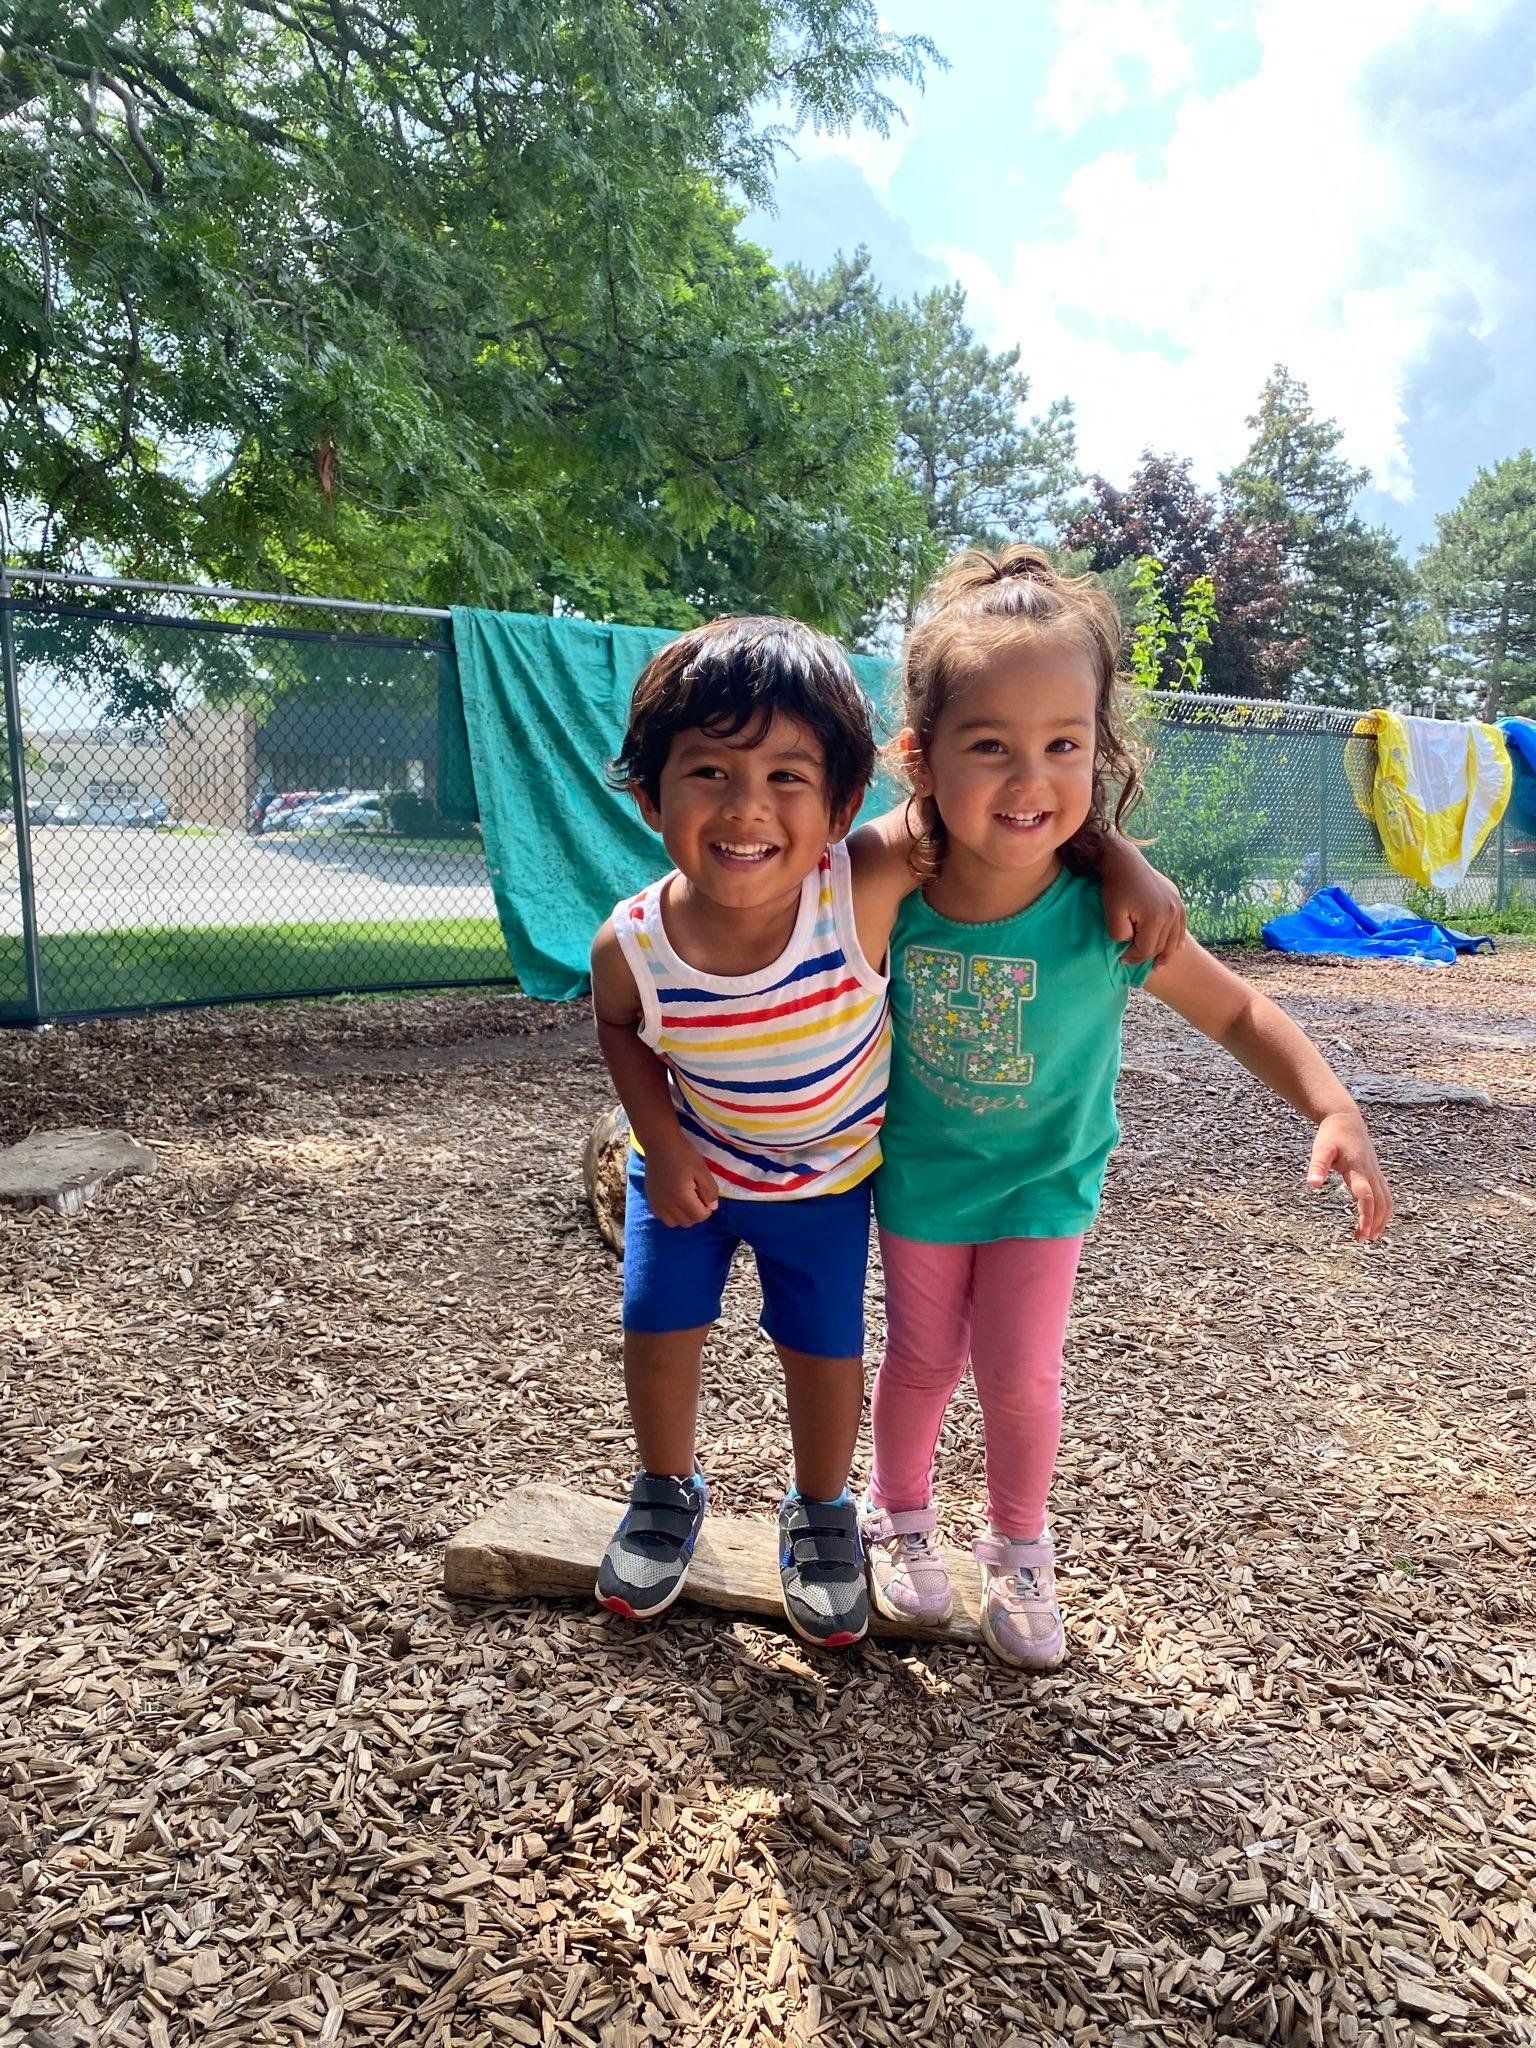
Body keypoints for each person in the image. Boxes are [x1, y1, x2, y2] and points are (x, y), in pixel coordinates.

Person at [588, 614, 1186, 1649]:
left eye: (787, 775)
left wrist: (1124, 857)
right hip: (685, 1172)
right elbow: (617, 1023)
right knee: (656, 1327)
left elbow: (1003, 804)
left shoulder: (859, 883)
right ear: (649, 793)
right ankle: (664, 1488)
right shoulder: (631, 938)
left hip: (824, 1187)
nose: (747, 806)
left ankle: (822, 1510)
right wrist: (662, 1138)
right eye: (708, 772)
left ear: (842, 802)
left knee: (823, 1351)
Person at [856, 546, 1393, 1669]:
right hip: (917, 1176)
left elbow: (1239, 1009)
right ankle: (895, 1515)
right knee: (917, 1359)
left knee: (1021, 1372)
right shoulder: (891, 887)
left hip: (1045, 1185)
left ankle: (1018, 1550)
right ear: (921, 753)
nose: (1029, 776)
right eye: (990, 744)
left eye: (1064, 744)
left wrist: (1331, 1104)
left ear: (1102, 753)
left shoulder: (1113, 912)